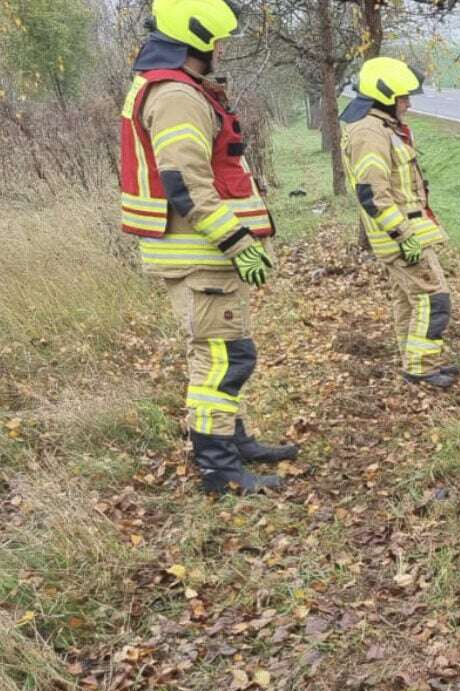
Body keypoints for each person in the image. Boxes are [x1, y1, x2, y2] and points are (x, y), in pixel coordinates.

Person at [119, 0, 297, 495]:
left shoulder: (177, 87)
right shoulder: (177, 95)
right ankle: (220, 470)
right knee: (222, 360)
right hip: (201, 255)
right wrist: (237, 239)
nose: (220, 49)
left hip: (202, 256)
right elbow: (186, 182)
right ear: (196, 39)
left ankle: (233, 443)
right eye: (216, 41)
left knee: (225, 353)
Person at [340, 57, 456, 388]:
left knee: (409, 300)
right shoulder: (369, 131)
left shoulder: (381, 127)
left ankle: (415, 363)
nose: (407, 103)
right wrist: (403, 233)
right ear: (385, 97)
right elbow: (372, 192)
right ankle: (421, 368)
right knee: (434, 298)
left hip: (402, 232)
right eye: (403, 97)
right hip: (400, 234)